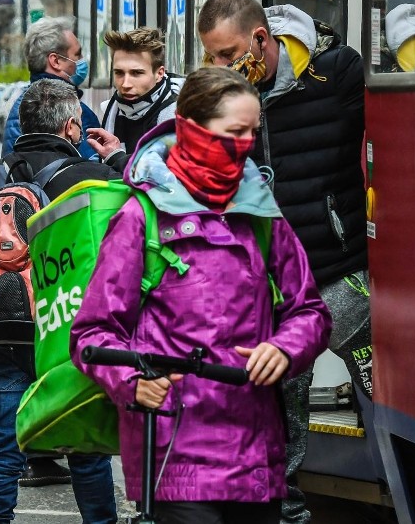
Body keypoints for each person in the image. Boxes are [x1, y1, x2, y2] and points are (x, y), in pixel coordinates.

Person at [71, 66, 331, 524]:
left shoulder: (262, 215)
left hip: (256, 457)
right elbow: (92, 333)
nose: (246, 144)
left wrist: (286, 347)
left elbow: (309, 310)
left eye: (253, 132)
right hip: (176, 454)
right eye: (234, 132)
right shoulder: (141, 217)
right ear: (192, 131)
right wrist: (133, 382)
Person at [197, 0, 368, 524]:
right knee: (279, 409)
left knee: (389, 390)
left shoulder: (334, 76)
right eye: (212, 59)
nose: (221, 68)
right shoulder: (222, 106)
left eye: (228, 56)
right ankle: (287, 515)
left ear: (261, 40)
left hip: (343, 276)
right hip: (277, 295)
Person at [0, 79, 121, 524]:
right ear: (72, 128)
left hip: (8, 332)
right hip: (72, 332)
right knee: (85, 445)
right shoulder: (93, 179)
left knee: (3, 444)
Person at [1, 16, 99, 160]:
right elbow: (92, 167)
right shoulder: (65, 107)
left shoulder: (27, 103)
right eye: (77, 54)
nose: (82, 60)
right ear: (56, 61)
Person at [99, 27, 184, 157]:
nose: (125, 84)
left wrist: (115, 157)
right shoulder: (110, 110)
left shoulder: (180, 113)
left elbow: (163, 173)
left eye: (136, 73)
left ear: (159, 73)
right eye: (119, 73)